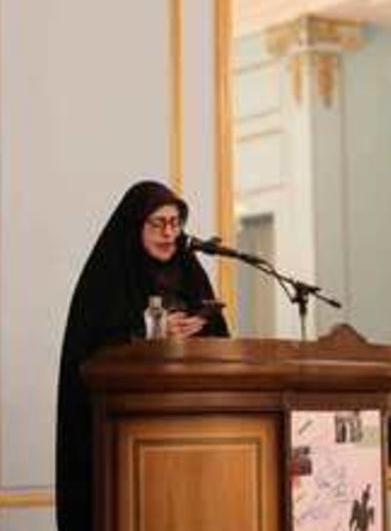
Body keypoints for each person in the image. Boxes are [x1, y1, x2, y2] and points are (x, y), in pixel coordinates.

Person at [55, 181, 230, 531]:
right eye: (158, 223)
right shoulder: (107, 276)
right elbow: (92, 350)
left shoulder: (189, 270)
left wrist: (201, 327)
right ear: (136, 225)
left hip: (189, 423)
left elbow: (220, 339)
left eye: (175, 223)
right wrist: (152, 332)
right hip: (124, 429)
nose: (169, 233)